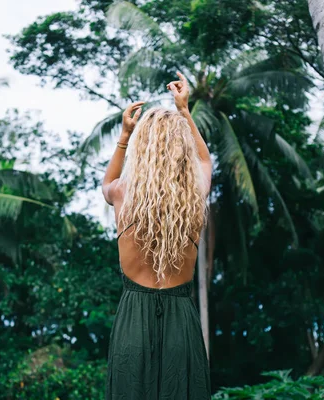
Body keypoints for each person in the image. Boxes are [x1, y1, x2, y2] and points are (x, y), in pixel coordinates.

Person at [102, 71, 212, 399]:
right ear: (181, 148)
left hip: (133, 321)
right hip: (181, 322)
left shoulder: (122, 192)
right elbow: (205, 160)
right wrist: (185, 111)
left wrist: (124, 136)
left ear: (142, 146)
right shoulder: (195, 193)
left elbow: (105, 184)